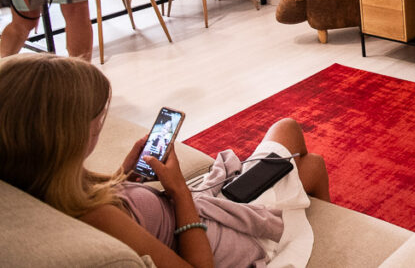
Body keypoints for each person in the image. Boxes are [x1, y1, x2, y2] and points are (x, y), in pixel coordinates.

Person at [0, 54, 330, 267]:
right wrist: (179, 191)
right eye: (97, 119)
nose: (101, 121)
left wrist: (124, 175)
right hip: (217, 234)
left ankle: (318, 216)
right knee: (294, 140)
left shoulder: (37, 177)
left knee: (304, 161)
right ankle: (328, 233)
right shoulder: (100, 218)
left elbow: (119, 205)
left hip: (203, 210)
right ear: (67, 137)